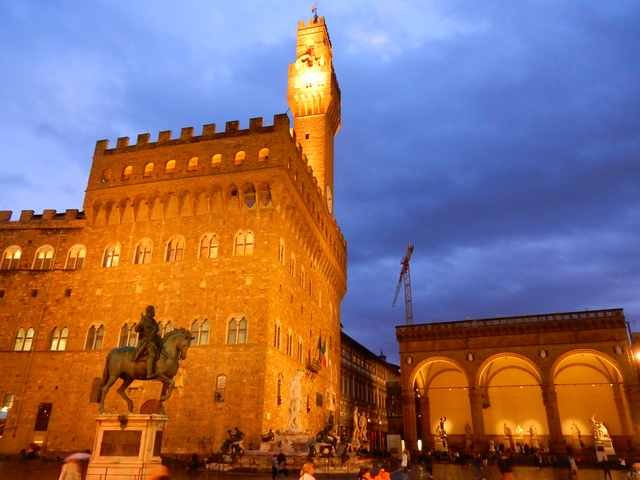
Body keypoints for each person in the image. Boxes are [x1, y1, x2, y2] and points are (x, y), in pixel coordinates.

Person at [134, 305, 162, 379]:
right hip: (145, 341)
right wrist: (141, 324)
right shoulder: (144, 320)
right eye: (153, 311)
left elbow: (157, 329)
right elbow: (136, 329)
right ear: (149, 312)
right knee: (152, 353)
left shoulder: (153, 321)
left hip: (152, 340)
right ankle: (149, 373)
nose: (154, 312)